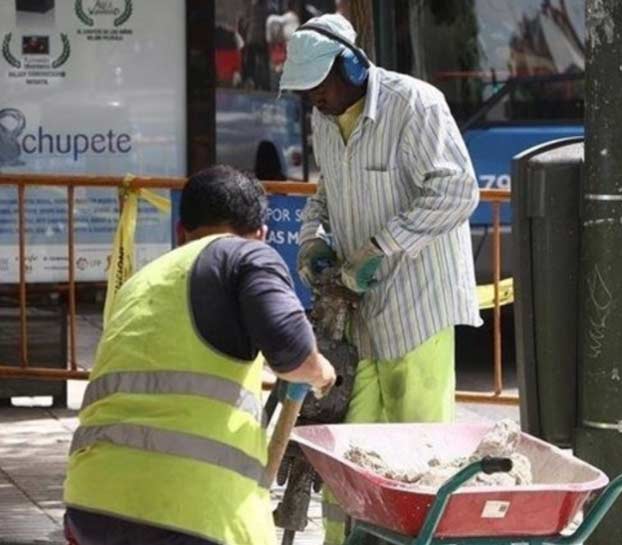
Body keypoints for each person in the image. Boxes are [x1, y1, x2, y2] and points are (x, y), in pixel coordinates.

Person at [278, 13, 482, 545]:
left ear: (351, 64)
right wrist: (313, 240)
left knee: (418, 448)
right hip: (357, 310)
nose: (313, 102)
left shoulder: (414, 105)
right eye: (306, 94)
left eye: (319, 88)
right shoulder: (326, 120)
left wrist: (382, 247)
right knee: (348, 450)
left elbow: (458, 192)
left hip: (419, 306)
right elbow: (324, 196)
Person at [62, 165, 336, 545]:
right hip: (189, 514)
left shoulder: (141, 281)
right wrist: (321, 372)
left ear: (181, 232)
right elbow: (293, 356)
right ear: (261, 234)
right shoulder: (247, 256)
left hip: (90, 503)